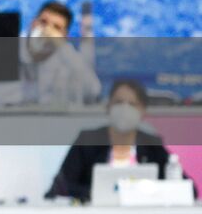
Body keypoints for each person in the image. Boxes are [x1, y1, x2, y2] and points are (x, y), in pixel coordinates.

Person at [46, 79, 185, 202]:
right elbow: (60, 188)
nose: (125, 109)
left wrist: (151, 193)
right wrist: (97, 195)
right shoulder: (87, 141)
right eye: (119, 102)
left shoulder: (152, 144)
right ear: (108, 106)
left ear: (143, 111)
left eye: (132, 104)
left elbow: (187, 189)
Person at [0, 0, 100, 107]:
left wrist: (62, 47)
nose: (47, 31)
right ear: (33, 23)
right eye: (43, 22)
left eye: (56, 28)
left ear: (64, 36)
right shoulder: (4, 51)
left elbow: (93, 91)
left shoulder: (67, 61)